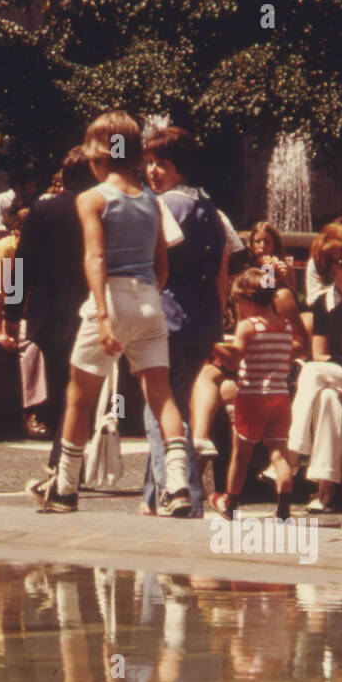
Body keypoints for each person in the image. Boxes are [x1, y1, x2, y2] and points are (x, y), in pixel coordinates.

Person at [28, 110, 192, 513]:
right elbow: (162, 267)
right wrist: (146, 298)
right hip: (149, 301)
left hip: (112, 300)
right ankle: (177, 486)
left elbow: (96, 257)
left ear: (98, 156)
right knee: (162, 396)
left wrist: (103, 316)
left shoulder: (92, 199)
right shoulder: (152, 201)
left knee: (79, 396)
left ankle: (64, 487)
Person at [138, 125, 226, 517]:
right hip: (202, 320)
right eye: (151, 163)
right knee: (176, 405)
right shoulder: (210, 208)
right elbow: (222, 271)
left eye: (163, 164)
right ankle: (151, 497)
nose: (153, 171)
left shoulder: (165, 206)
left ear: (181, 168)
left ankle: (182, 495)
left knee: (160, 405)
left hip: (167, 318)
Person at [6, 147, 98, 480]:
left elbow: (21, 263)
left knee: (62, 386)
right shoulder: (101, 208)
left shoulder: (42, 210)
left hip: (49, 313)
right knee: (85, 388)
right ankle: (68, 456)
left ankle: (65, 457)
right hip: (90, 308)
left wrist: (12, 310)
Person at [192, 221, 309, 459]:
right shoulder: (241, 287)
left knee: (211, 392)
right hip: (242, 366)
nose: (263, 247)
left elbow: (265, 300)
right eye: (258, 242)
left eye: (268, 242)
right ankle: (200, 443)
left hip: (266, 375)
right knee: (203, 379)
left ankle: (217, 481)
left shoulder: (278, 295)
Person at [289, 222, 342, 513]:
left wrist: (330, 367)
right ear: (329, 268)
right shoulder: (322, 304)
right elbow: (319, 352)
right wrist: (331, 370)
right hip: (336, 377)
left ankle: (292, 454)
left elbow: (321, 361)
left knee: (310, 372)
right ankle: (326, 489)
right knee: (327, 399)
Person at [209, 268, 297, 519]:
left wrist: (212, 344)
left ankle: (231, 502)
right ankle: (283, 506)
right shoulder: (286, 327)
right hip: (280, 395)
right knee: (279, 453)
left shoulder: (249, 326)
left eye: (239, 303)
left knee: (241, 454)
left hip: (252, 396)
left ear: (248, 300)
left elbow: (234, 359)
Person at [0, 202, 49, 439]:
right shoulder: (5, 250)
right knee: (32, 341)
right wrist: (0, 332)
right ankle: (32, 412)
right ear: (18, 230)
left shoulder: (40, 250)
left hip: (25, 313)